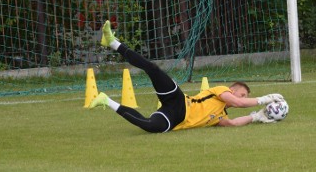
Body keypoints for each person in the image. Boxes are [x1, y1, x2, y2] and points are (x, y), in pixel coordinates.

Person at [88, 20, 285, 132]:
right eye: (241, 94)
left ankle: (106, 100)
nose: (242, 99)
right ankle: (113, 42)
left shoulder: (220, 116)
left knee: (148, 126)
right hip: (179, 100)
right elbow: (241, 103)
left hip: (174, 119)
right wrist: (264, 99)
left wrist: (257, 117)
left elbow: (233, 123)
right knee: (154, 69)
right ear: (232, 90)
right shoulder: (221, 91)